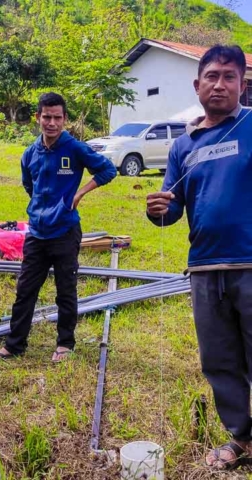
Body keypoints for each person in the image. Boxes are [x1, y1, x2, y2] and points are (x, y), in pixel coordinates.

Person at [146, 44, 252, 471]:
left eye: (230, 76)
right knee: (219, 359)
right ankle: (242, 438)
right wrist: (158, 210)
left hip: (250, 265)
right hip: (205, 268)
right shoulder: (182, 145)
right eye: (212, 76)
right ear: (197, 84)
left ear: (243, 84)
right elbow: (172, 208)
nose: (220, 84)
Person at [0, 92, 116, 363]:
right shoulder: (30, 153)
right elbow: (28, 185)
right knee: (25, 291)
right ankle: (14, 345)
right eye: (47, 117)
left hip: (65, 231)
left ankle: (65, 344)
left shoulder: (75, 148)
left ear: (65, 119)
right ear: (38, 118)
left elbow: (107, 170)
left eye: (58, 117)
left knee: (65, 290)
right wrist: (41, 208)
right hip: (37, 232)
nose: (52, 123)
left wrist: (79, 194)